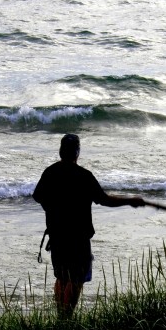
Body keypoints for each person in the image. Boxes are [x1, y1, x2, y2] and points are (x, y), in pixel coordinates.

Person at [33, 134, 146, 318]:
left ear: (61, 151)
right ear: (77, 152)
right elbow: (105, 200)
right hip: (78, 237)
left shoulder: (50, 172)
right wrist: (129, 200)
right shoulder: (84, 176)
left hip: (57, 235)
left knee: (62, 277)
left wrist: (52, 209)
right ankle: (67, 318)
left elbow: (37, 196)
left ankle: (61, 317)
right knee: (76, 280)